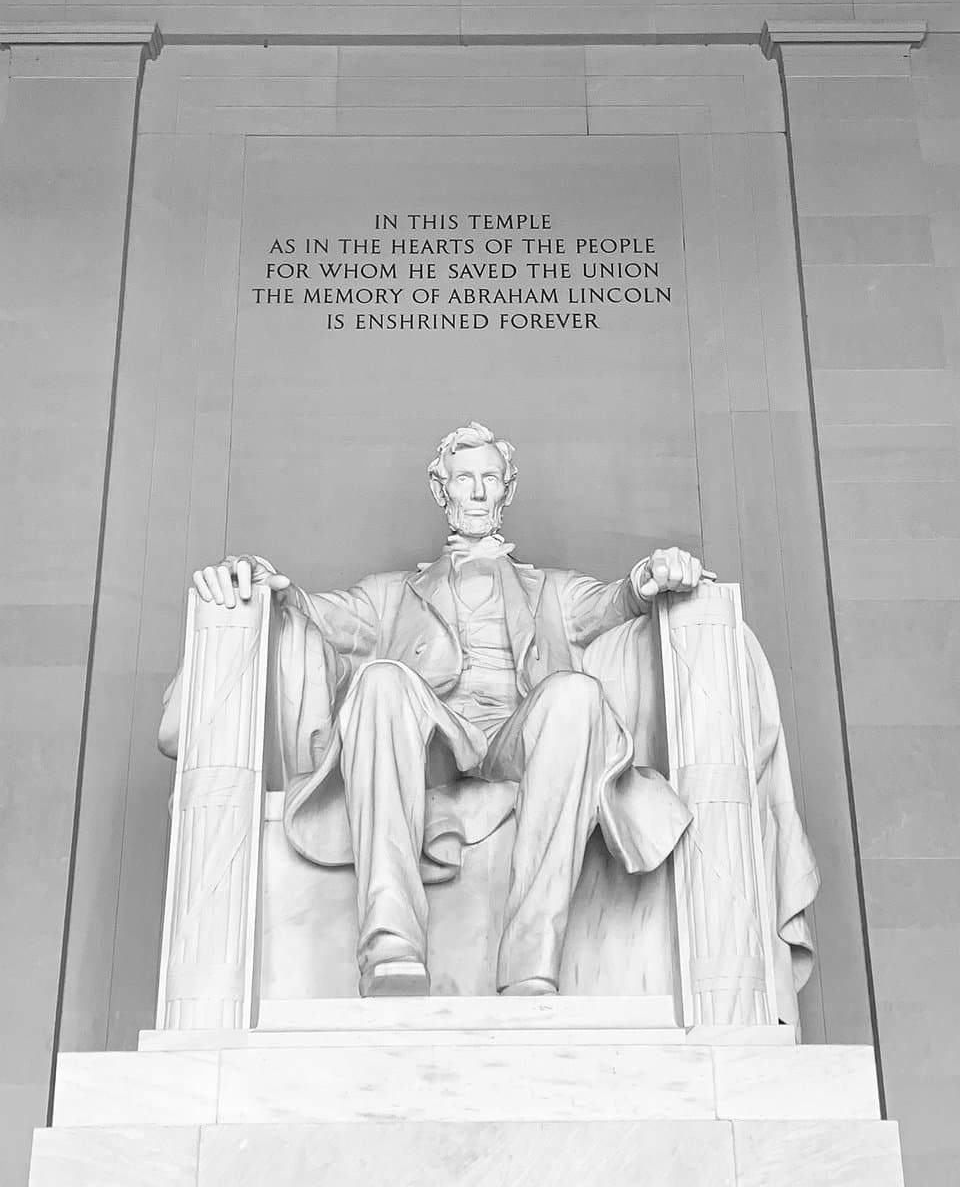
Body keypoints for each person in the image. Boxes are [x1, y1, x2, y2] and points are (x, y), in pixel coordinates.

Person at [181, 422, 817, 1011]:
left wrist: (652, 574)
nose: (479, 491)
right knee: (378, 681)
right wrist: (260, 582)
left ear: (507, 490)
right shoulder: (389, 594)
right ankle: (390, 943)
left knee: (576, 694)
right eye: (465, 478)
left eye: (490, 478)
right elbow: (313, 613)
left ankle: (531, 959)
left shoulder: (554, 591)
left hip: (519, 740)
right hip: (433, 737)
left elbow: (617, 602)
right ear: (442, 490)